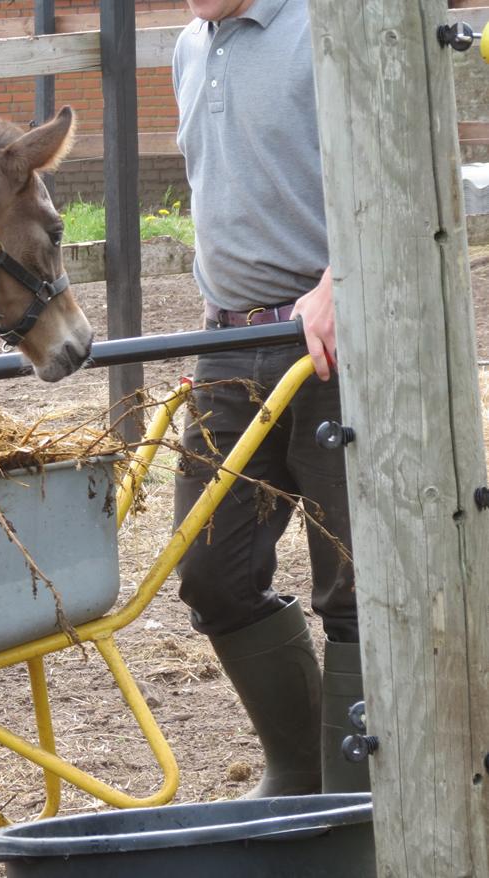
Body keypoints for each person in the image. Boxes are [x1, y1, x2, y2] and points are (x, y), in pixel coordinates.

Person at [171, 0, 368, 796]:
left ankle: (363, 788)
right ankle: (300, 768)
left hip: (332, 341)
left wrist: (338, 283)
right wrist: (209, 320)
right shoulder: (189, 46)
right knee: (208, 568)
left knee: (356, 578)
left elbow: (391, 168)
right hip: (227, 345)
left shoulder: (329, 27)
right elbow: (220, 196)